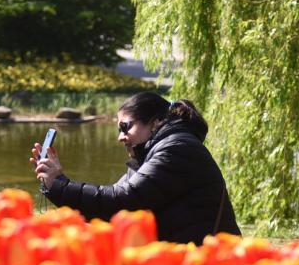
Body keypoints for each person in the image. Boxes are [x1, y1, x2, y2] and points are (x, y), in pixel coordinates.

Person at [31, 92, 240, 245]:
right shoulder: (152, 153)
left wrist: (59, 184)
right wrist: (55, 183)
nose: (120, 137)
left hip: (213, 264)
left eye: (125, 127)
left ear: (156, 122)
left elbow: (123, 201)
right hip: (189, 258)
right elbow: (109, 206)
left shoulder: (177, 149)